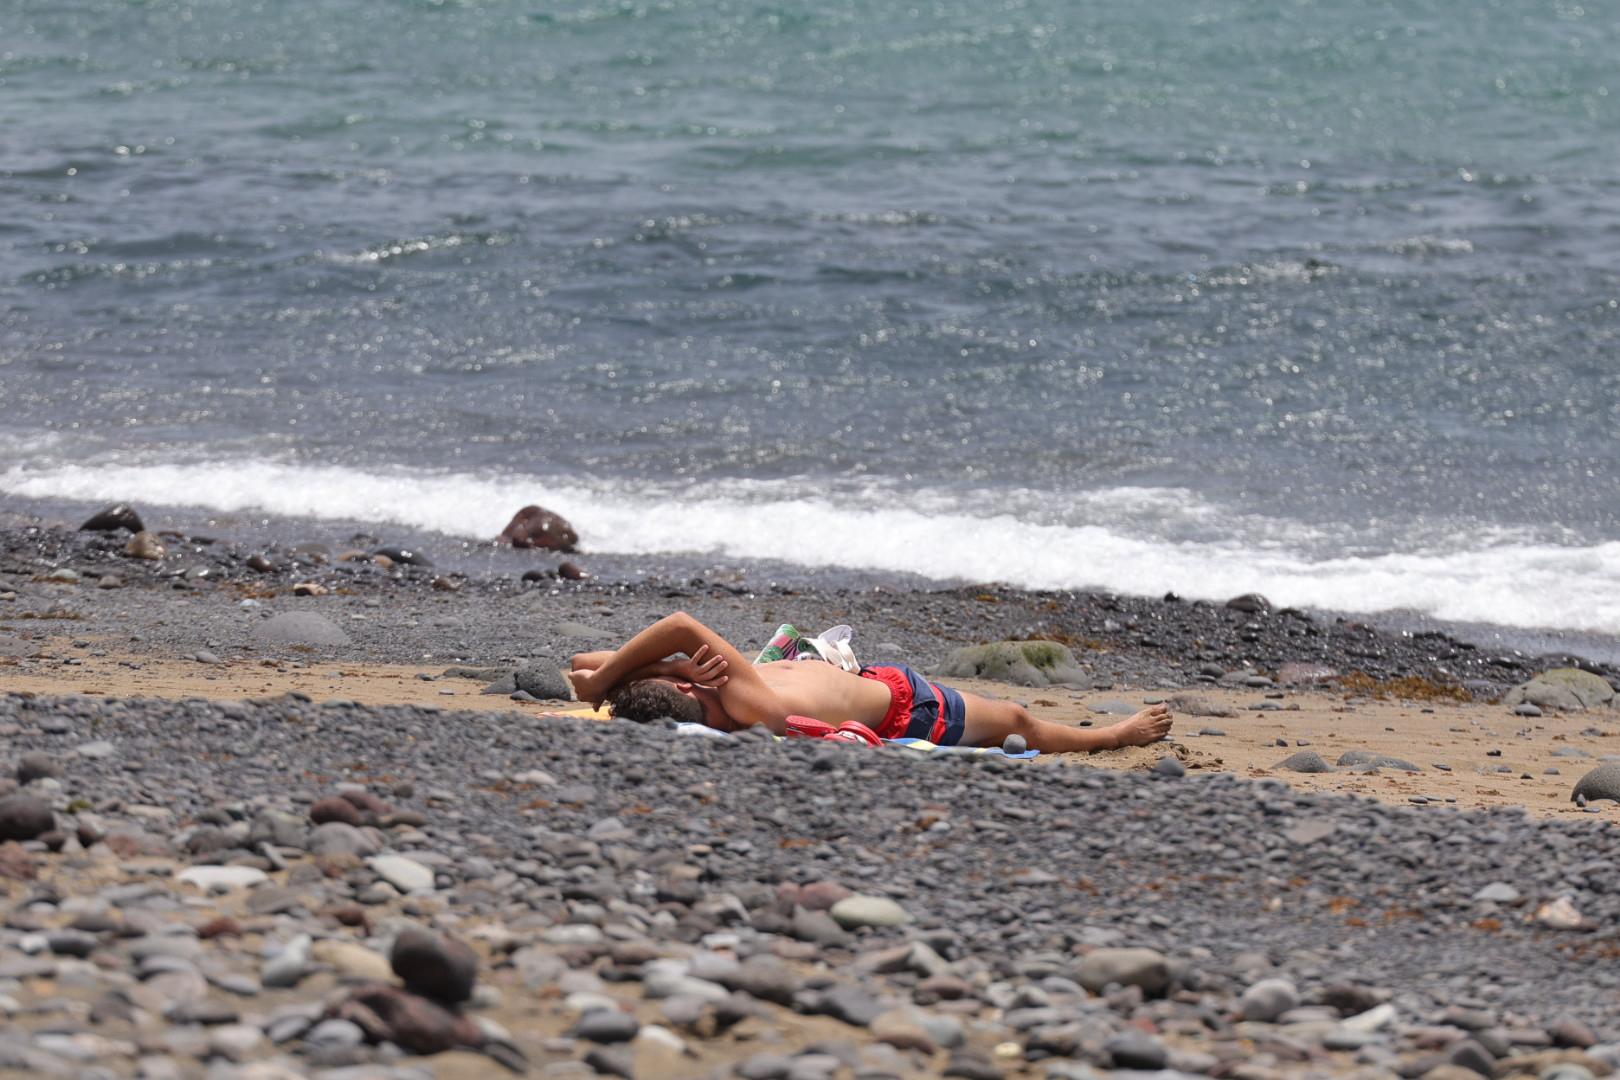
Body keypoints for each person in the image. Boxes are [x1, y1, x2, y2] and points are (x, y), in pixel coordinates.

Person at [565, 611, 1173, 752]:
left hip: (836, 668)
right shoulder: (753, 709)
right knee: (1014, 721)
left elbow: (584, 664)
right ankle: (1111, 738)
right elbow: (675, 624)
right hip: (909, 707)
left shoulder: (715, 691)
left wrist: (660, 671)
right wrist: (666, 666)